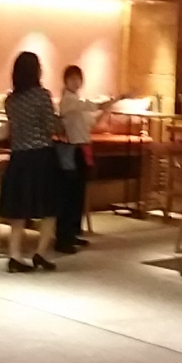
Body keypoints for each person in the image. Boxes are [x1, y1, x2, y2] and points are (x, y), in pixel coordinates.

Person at [0, 51, 62, 273]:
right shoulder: (42, 96)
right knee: (49, 207)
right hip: (42, 155)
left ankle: (14, 255)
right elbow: (51, 127)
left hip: (19, 157)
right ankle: (40, 253)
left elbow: (12, 129)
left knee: (19, 209)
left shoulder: (11, 100)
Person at [55, 66, 122, 253]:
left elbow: (91, 122)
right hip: (72, 150)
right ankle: (63, 237)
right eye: (72, 79)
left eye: (78, 78)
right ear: (65, 81)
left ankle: (73, 233)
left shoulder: (77, 102)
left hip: (83, 149)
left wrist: (106, 109)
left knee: (78, 194)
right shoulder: (68, 101)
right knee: (69, 195)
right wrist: (116, 99)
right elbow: (91, 105)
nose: (76, 82)